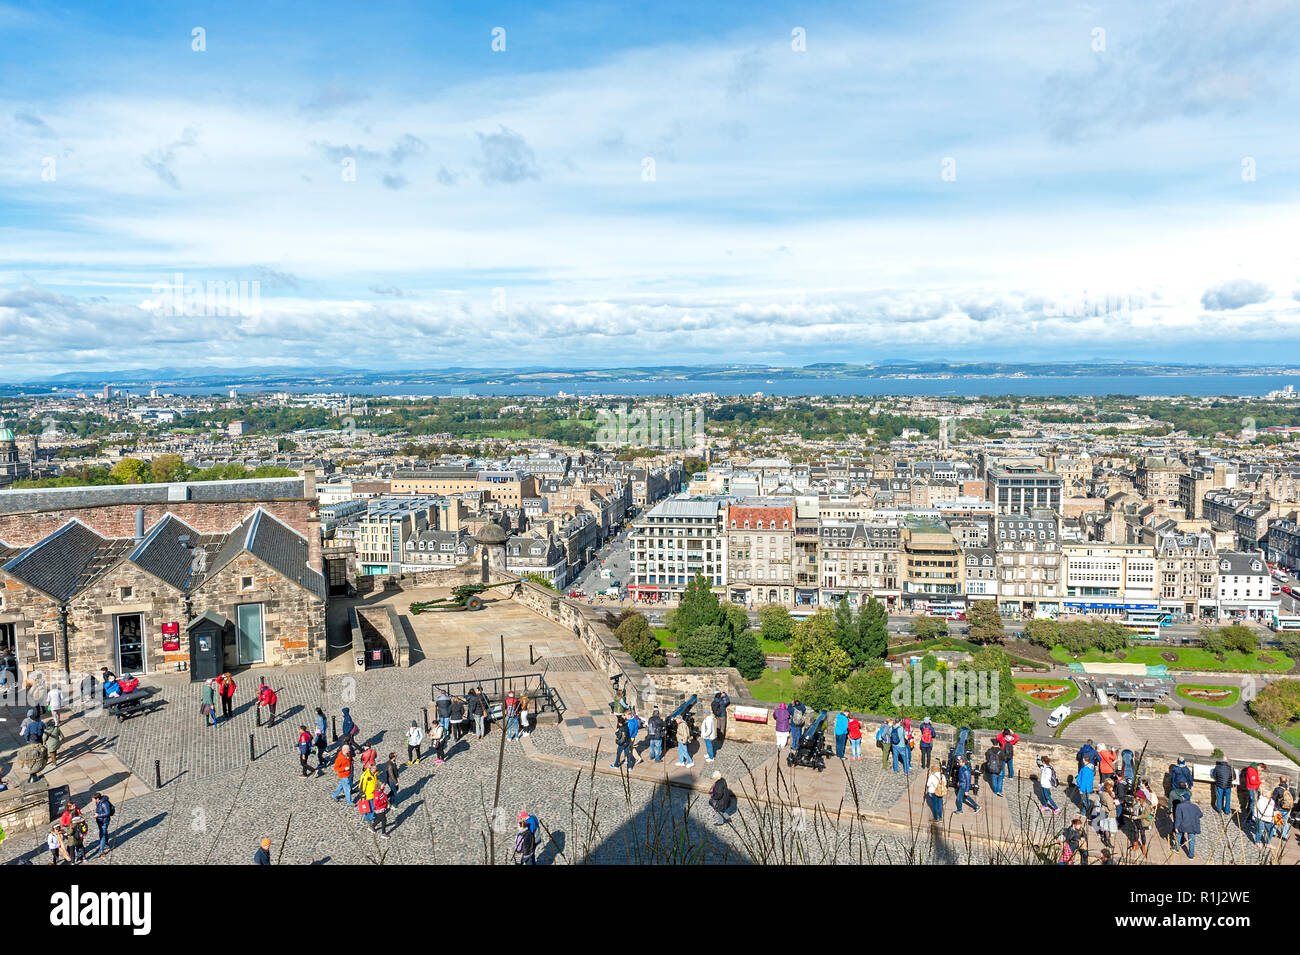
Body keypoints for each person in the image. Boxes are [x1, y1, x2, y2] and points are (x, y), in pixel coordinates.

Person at [1130, 778, 1156, 858]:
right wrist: (1132, 809)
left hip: (1142, 820)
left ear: (1141, 798)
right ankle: (1136, 844)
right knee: (1135, 831)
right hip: (1135, 818)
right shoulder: (1136, 801)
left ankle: (1143, 847)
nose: (1135, 798)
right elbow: (1133, 808)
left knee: (1142, 833)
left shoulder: (1146, 804)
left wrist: (1137, 817)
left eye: (1137, 797)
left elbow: (1146, 815)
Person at [1174, 795, 1203, 859]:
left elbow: (1178, 818)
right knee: (1192, 840)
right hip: (1193, 826)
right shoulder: (1195, 806)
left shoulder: (1179, 806)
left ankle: (1176, 849)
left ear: (1183, 798)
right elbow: (1200, 815)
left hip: (1183, 825)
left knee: (1178, 835)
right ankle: (1191, 855)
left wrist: (1176, 827)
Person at [1097, 780, 1118, 849]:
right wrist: (1115, 804)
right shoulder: (1108, 796)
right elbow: (1110, 807)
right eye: (1111, 787)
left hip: (1103, 811)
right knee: (1107, 829)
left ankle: (1105, 839)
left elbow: (1101, 801)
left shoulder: (1102, 793)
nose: (1112, 788)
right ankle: (1107, 841)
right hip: (1108, 813)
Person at [92, 792, 113, 859]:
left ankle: (101, 850)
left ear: (97, 799)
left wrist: (98, 815)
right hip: (99, 820)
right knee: (104, 832)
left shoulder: (104, 803)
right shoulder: (98, 802)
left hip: (104, 821)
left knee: (102, 835)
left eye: (93, 799)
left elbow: (107, 813)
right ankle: (106, 845)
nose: (92, 800)